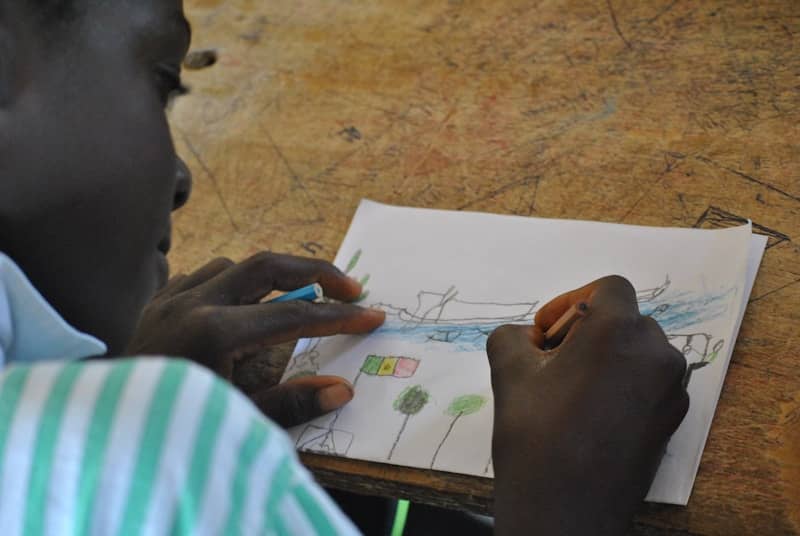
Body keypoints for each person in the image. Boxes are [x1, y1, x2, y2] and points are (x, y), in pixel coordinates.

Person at [0, 0, 689, 534]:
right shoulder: (114, 462)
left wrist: (120, 388)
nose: (182, 176)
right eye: (161, 85)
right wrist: (562, 511)